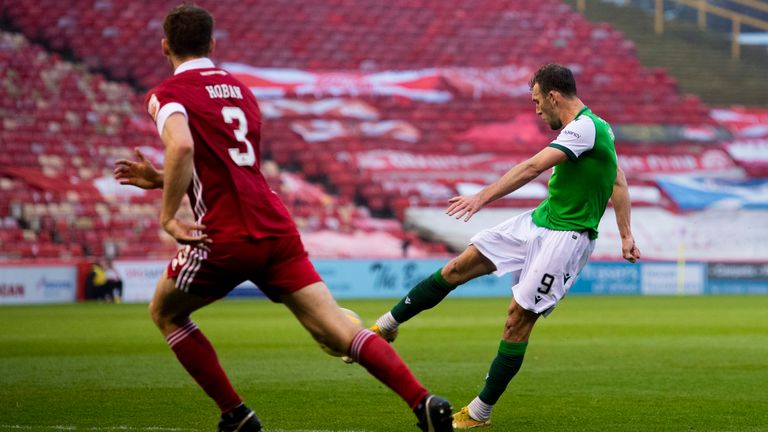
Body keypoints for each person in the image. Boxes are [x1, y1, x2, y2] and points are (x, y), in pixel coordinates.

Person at [112, 5, 453, 432]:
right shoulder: (241, 91)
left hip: (225, 233)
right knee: (335, 332)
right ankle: (423, 402)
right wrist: (163, 180)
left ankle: (236, 415)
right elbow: (229, 166)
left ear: (165, 46)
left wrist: (168, 217)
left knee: (165, 312)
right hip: (275, 226)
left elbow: (182, 147)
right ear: (212, 44)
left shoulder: (167, 93)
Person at [370, 63, 642, 429]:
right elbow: (619, 180)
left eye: (536, 101)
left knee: (517, 320)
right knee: (457, 268)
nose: (536, 110)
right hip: (539, 222)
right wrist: (625, 235)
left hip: (567, 238)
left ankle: (480, 413)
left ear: (553, 96)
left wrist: (482, 196)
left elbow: (533, 167)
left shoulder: (586, 128)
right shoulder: (597, 129)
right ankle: (386, 326)